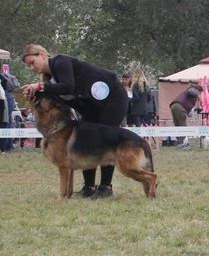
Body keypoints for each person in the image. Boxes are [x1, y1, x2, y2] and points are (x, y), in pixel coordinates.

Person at [20, 44, 128, 197]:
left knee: (106, 140)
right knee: (87, 142)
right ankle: (89, 187)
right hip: (91, 105)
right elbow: (53, 104)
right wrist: (33, 96)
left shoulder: (60, 62)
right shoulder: (48, 81)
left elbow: (68, 86)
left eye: (32, 62)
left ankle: (105, 187)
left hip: (112, 99)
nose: (31, 67)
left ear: (42, 55)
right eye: (28, 65)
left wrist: (40, 85)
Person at [169, 84, 200, 148]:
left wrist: (188, 114)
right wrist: (198, 96)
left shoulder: (189, 95)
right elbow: (190, 92)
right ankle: (183, 144)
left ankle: (179, 143)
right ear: (198, 90)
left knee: (177, 126)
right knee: (183, 126)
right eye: (200, 92)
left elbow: (187, 105)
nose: (200, 94)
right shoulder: (192, 90)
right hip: (179, 107)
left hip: (174, 106)